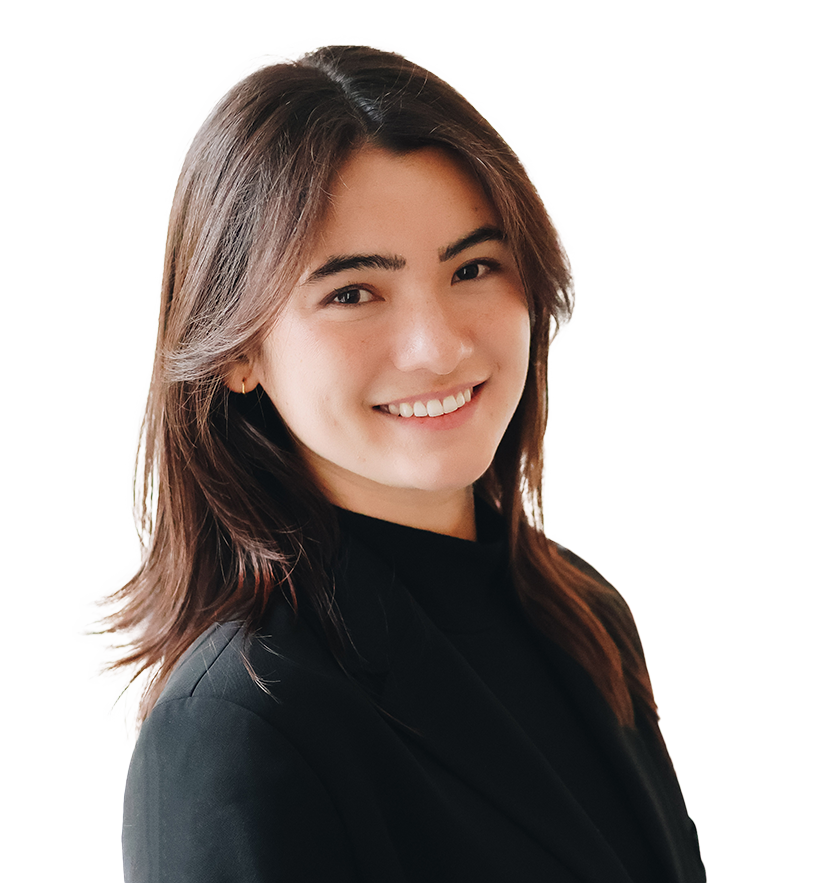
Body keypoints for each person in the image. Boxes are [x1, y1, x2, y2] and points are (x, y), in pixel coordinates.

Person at [83, 44, 707, 882]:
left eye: (472, 268)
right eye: (352, 293)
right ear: (237, 351)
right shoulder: (241, 720)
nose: (438, 347)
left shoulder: (581, 612)